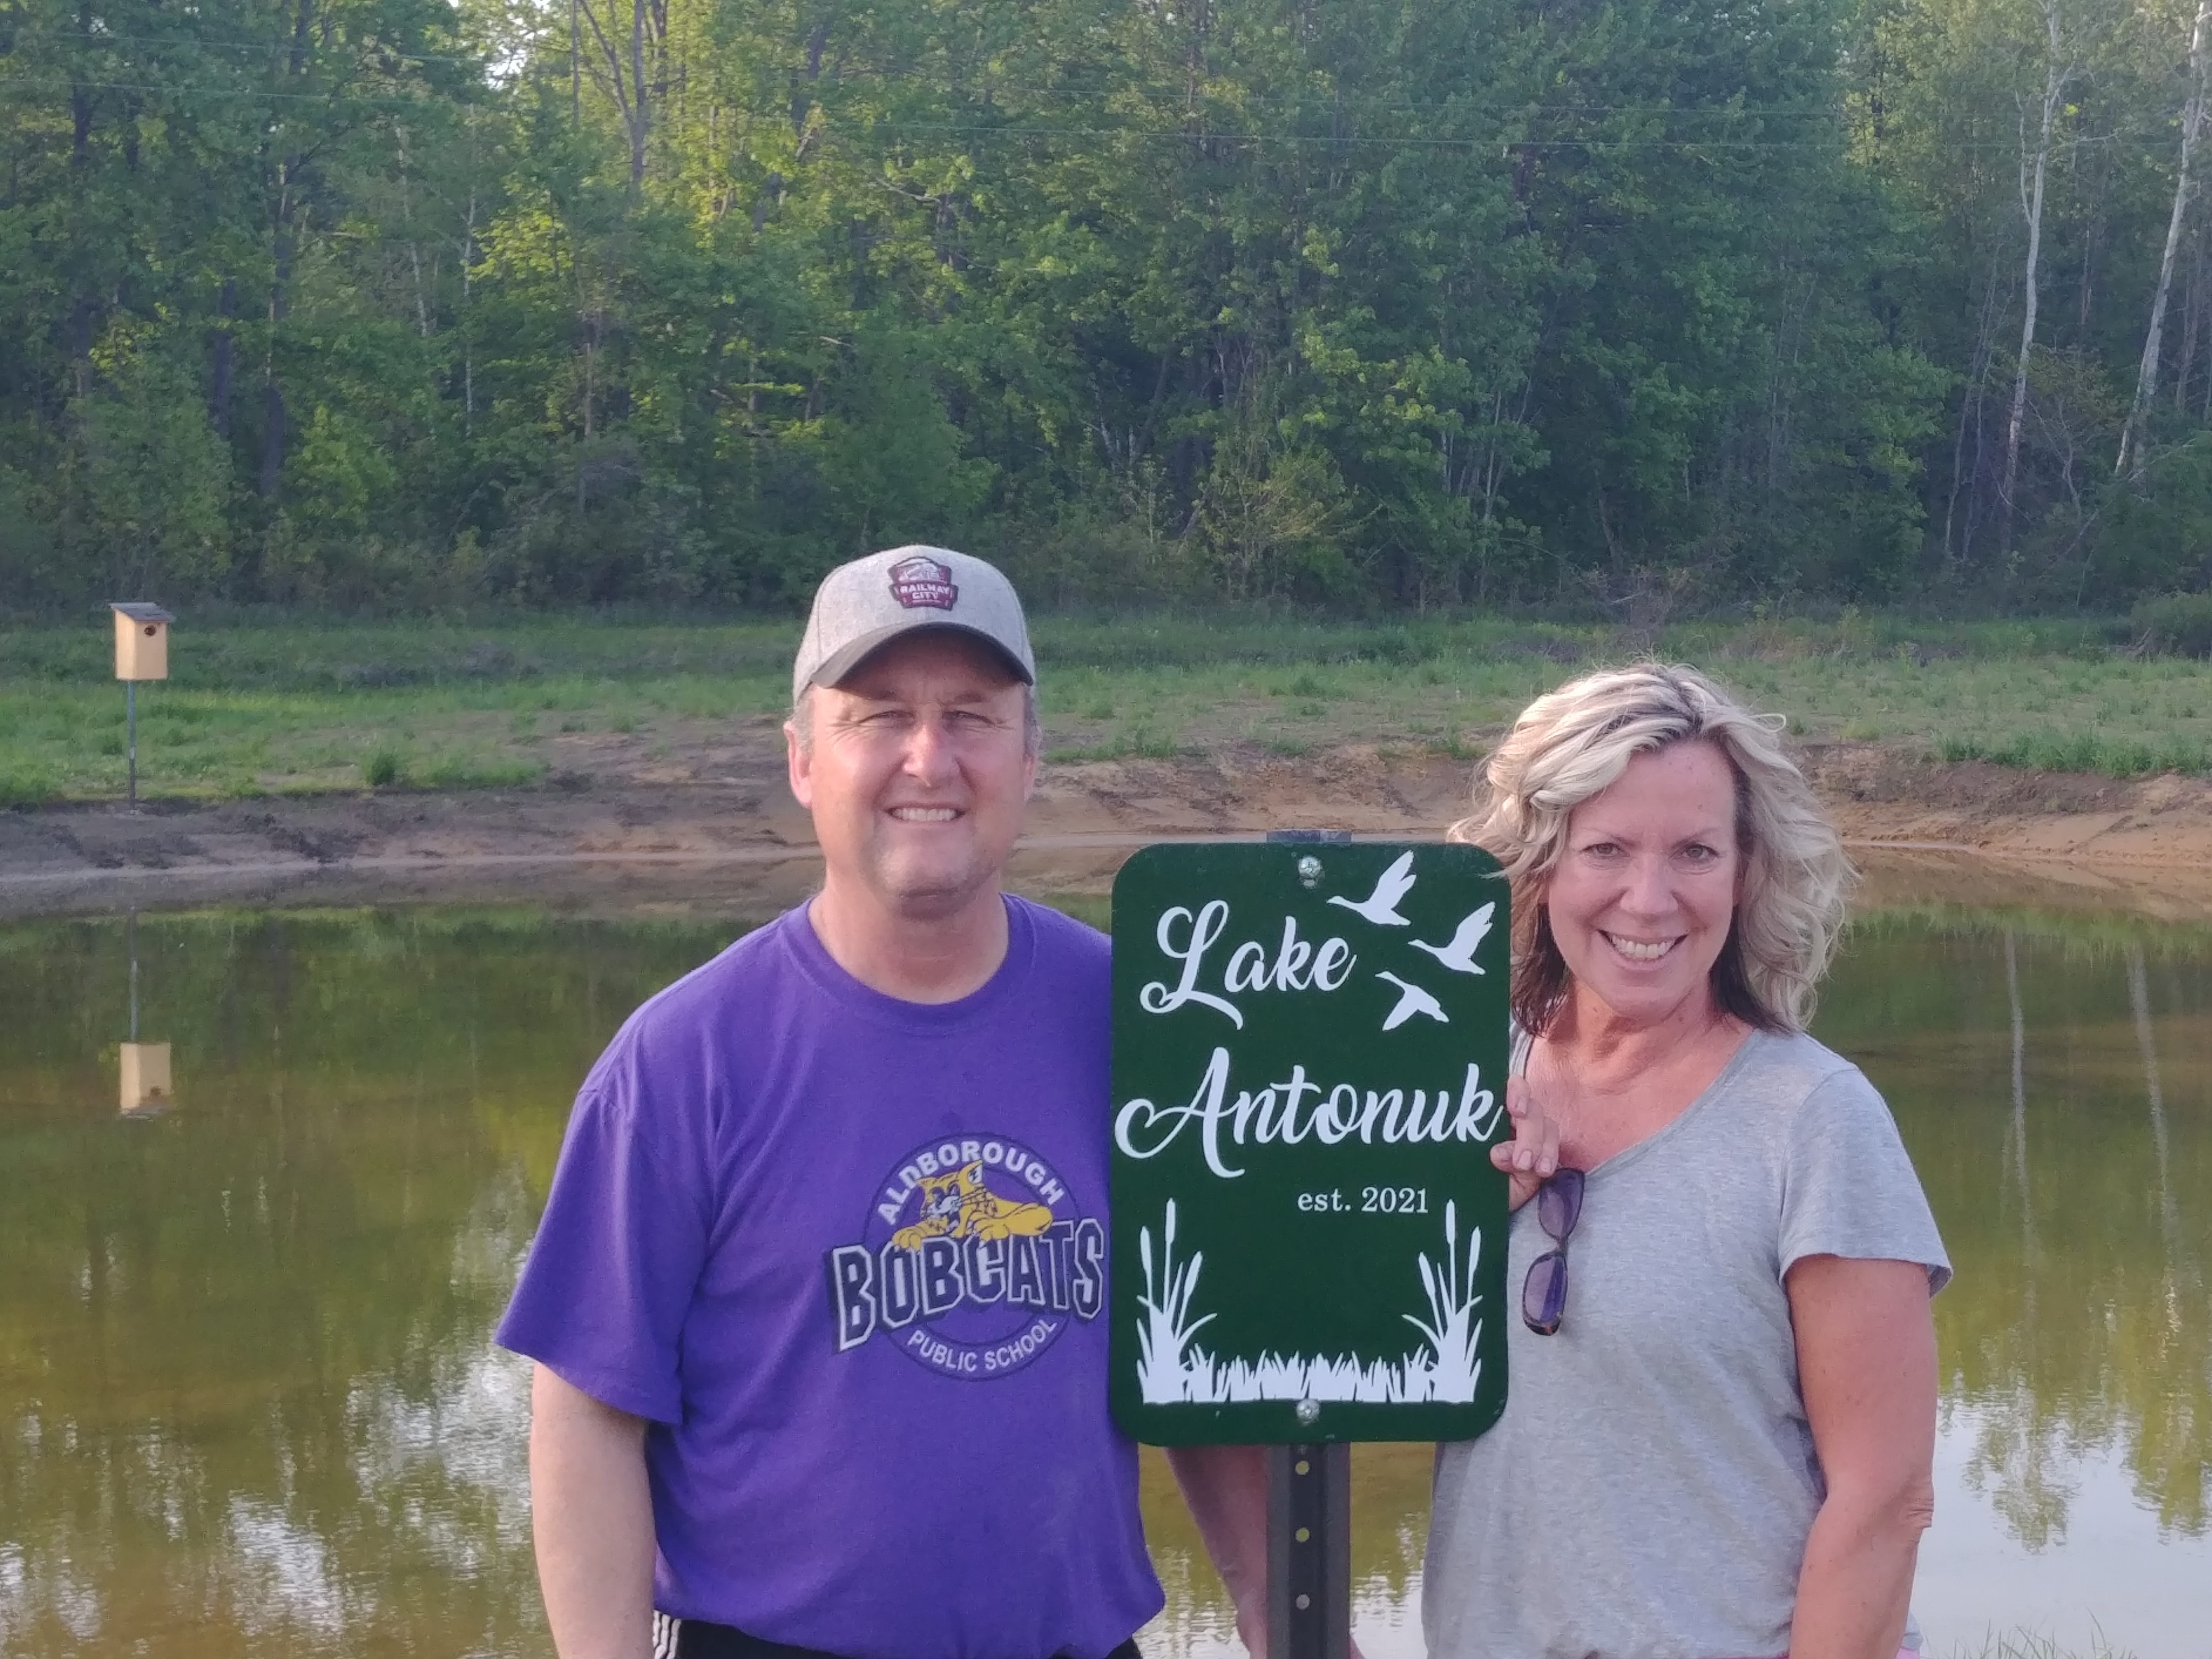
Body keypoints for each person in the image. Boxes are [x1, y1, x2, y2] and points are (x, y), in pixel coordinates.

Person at [495, 546, 1164, 1659]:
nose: (928, 757)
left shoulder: (1137, 1021)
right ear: (802, 759)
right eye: (878, 714)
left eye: (971, 714)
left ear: (1033, 754)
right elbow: (586, 1414)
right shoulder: (679, 1062)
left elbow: (1217, 1343)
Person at [1419, 662, 1951, 1659]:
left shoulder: (1817, 1121)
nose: (1649, 898)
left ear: (1748, 872)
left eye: (1696, 852)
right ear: (1539, 867)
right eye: (1606, 849)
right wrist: (1448, 1206)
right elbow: (1339, 1362)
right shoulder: (1456, 1089)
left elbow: (1885, 1501)